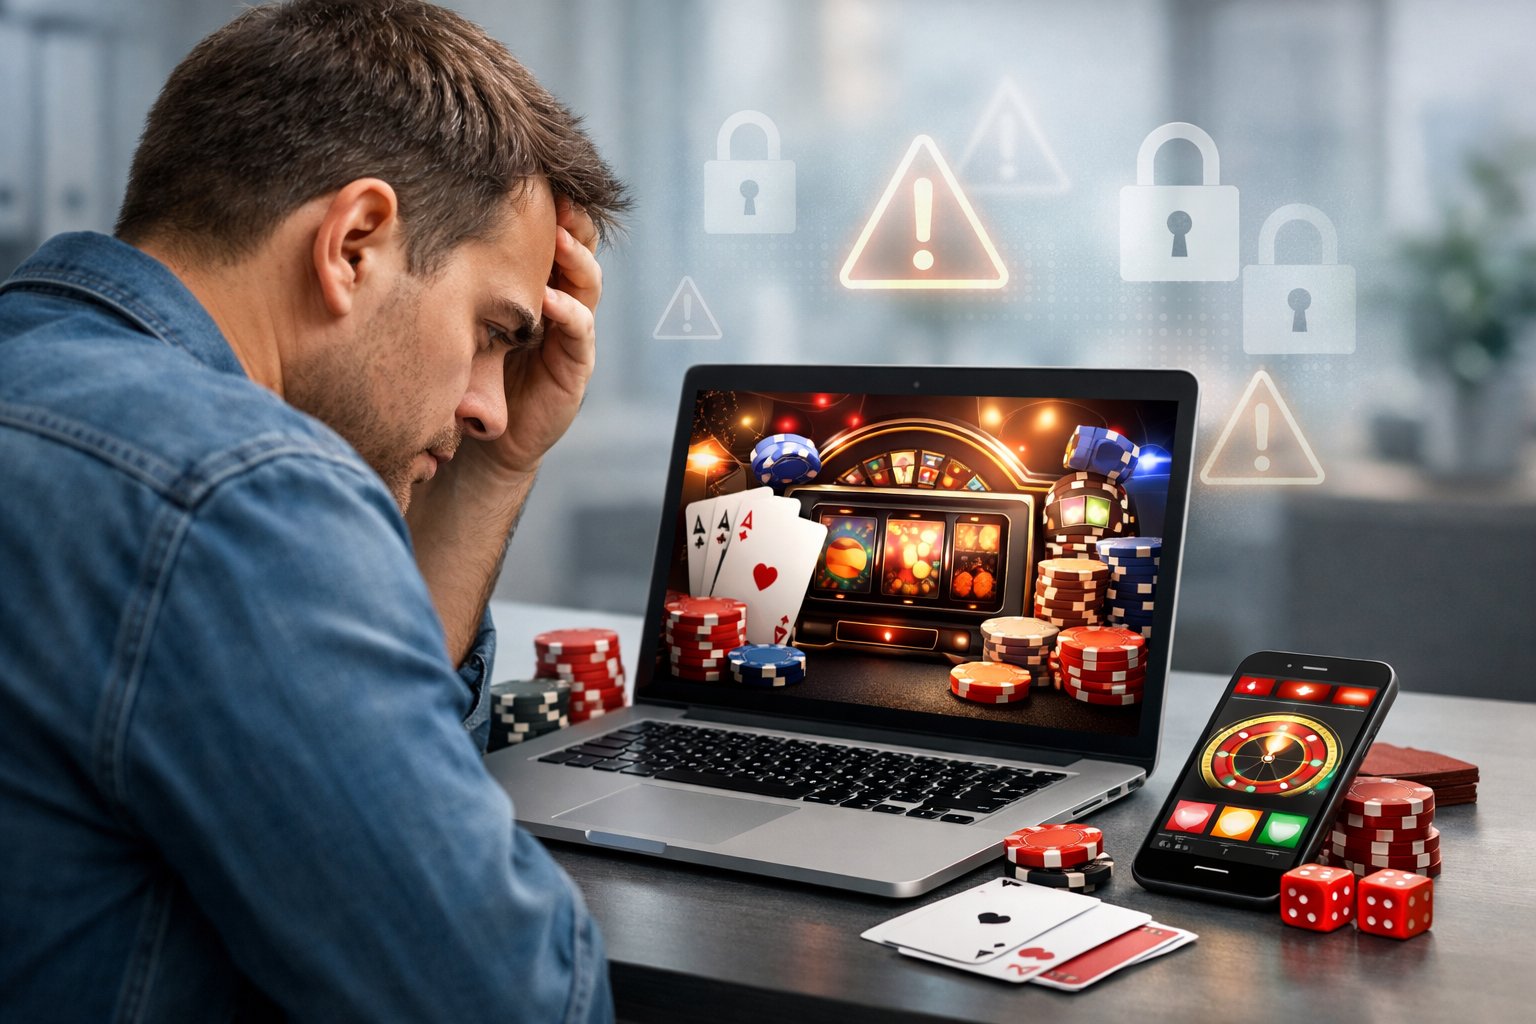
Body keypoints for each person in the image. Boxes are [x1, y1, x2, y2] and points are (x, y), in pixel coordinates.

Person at [0, 0, 629, 1019]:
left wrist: (493, 472)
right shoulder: (237, 493)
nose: (488, 404)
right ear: (354, 243)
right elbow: (509, 1001)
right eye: (491, 331)